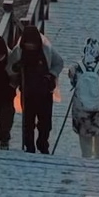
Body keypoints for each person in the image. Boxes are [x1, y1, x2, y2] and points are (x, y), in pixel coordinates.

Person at [11, 23, 61, 155]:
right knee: (28, 122)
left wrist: (51, 75)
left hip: (44, 92)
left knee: (45, 123)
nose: (30, 47)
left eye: (33, 45)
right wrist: (16, 68)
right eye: (28, 45)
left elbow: (58, 63)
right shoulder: (19, 49)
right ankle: (29, 146)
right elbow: (11, 66)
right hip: (27, 92)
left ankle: (42, 143)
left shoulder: (46, 48)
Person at [65, 38, 99, 159]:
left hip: (81, 111)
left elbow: (73, 82)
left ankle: (86, 159)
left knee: (84, 140)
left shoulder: (76, 68)